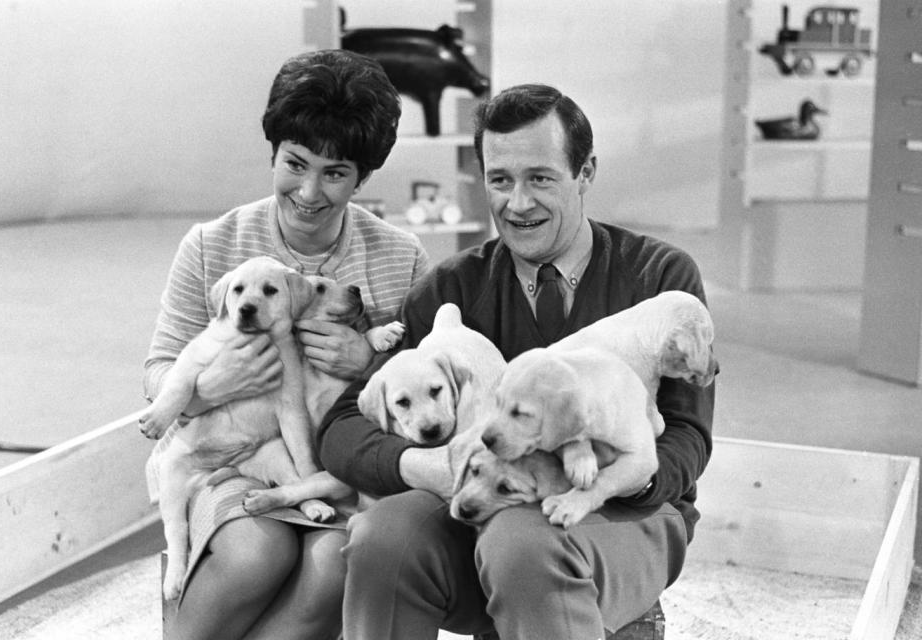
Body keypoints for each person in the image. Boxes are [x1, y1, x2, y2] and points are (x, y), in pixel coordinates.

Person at [318, 83, 715, 640]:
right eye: (500, 180)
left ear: (586, 172)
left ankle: (600, 612)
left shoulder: (660, 279)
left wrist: (586, 481)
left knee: (520, 542)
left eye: (541, 178)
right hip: (483, 499)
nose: (518, 203)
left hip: (627, 511)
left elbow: (690, 439)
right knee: (384, 536)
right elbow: (341, 429)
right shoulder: (452, 286)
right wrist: (428, 467)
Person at [142, 49, 430, 640]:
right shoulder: (212, 245)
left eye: (336, 173)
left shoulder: (402, 258)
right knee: (257, 553)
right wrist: (205, 391)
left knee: (333, 566)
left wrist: (370, 362)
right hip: (217, 456)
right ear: (273, 152)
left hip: (336, 463)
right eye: (295, 163)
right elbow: (160, 368)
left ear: (365, 177)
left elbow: (422, 384)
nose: (309, 191)